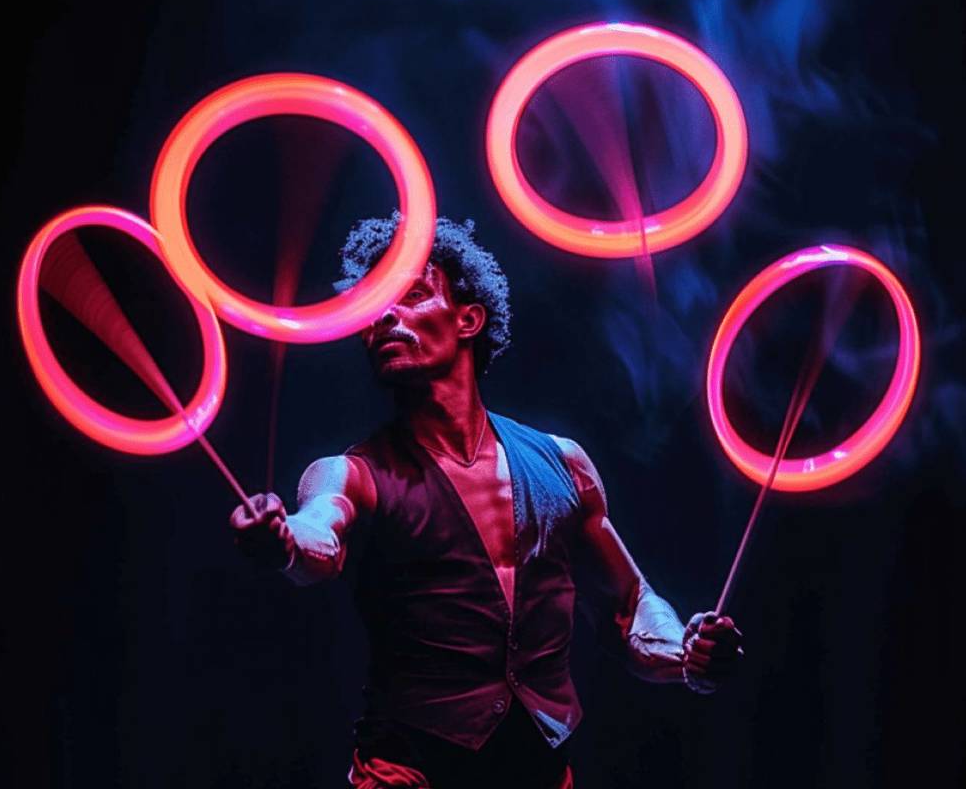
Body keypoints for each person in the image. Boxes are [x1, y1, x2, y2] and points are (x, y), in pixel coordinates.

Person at [230, 212, 745, 788]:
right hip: (407, 772)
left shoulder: (563, 462)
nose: (383, 317)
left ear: (468, 319)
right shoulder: (352, 473)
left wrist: (685, 652)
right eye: (370, 306)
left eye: (411, 295)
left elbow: (629, 605)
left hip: (539, 771)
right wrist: (282, 540)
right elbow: (318, 534)